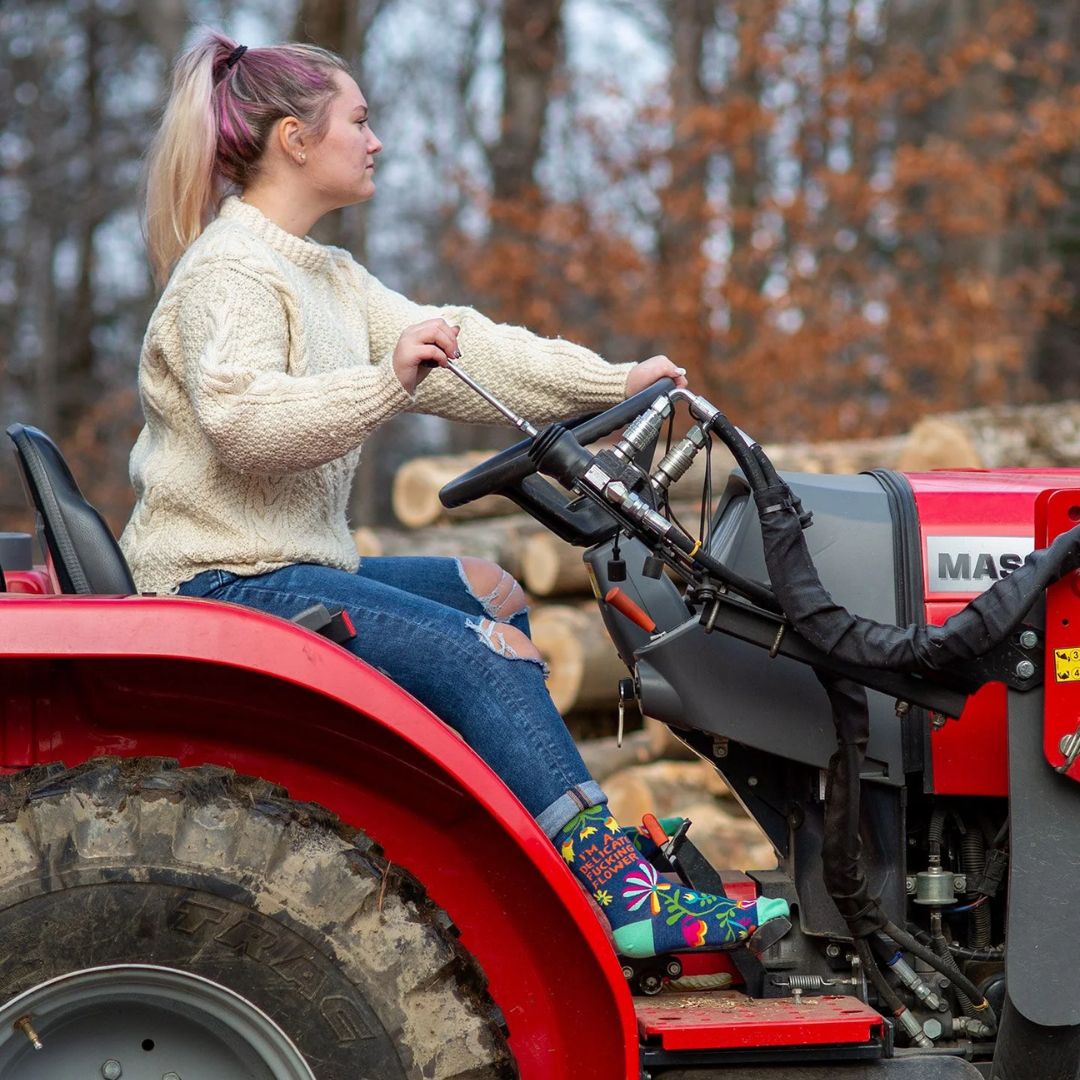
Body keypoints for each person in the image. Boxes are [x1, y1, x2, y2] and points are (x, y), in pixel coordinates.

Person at [119, 30, 788, 960]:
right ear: (294, 140)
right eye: (359, 119)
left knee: (492, 591)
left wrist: (614, 380)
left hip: (289, 565)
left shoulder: (327, 273)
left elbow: (459, 346)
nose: (377, 139)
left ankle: (540, 865)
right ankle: (616, 891)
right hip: (219, 581)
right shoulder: (232, 270)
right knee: (478, 653)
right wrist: (386, 379)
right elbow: (248, 427)